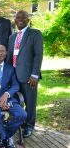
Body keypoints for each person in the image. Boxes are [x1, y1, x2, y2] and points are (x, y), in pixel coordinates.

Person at [7, 10, 43, 138]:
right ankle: (20, 123)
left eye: (23, 17)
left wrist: (35, 74)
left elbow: (38, 55)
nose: (20, 20)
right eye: (18, 18)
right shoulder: (12, 37)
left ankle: (29, 126)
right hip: (14, 76)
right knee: (16, 101)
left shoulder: (35, 34)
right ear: (15, 20)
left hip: (29, 76)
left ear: (28, 19)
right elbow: (10, 57)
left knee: (30, 102)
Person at [0, 44, 27, 148]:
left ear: (6, 53)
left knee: (22, 114)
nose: (0, 53)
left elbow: (15, 85)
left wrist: (7, 94)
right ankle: (5, 138)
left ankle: (3, 135)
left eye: (2, 51)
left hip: (9, 98)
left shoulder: (10, 68)